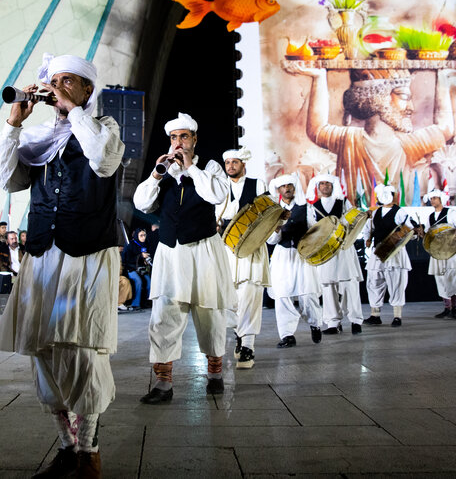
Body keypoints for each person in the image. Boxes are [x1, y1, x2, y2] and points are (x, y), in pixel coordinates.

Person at [0, 53, 124, 478]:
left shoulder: (104, 129)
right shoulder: (40, 140)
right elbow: (3, 177)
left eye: (69, 80)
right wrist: (15, 122)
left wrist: (73, 111)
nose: (58, 85)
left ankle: (89, 451)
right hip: (44, 257)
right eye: (53, 80)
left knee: (84, 352)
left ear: (87, 89)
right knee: (43, 352)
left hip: (88, 258)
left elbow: (102, 159)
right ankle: (67, 448)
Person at [134, 113, 233, 402]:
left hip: (203, 250)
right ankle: (163, 384)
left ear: (194, 139)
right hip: (170, 252)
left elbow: (215, 195)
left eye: (184, 137)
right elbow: (142, 202)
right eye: (174, 138)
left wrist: (190, 167)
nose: (178, 142)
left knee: (210, 312)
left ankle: (215, 374)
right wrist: (157, 173)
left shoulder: (211, 167)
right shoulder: (165, 172)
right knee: (165, 314)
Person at [284, 65, 456, 202]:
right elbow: (317, 129)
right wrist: (319, 77)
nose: (410, 107)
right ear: (379, 98)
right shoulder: (349, 139)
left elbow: (446, 129)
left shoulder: (407, 143)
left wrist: (442, 77)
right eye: (404, 97)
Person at [215, 147, 271, 368]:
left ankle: (248, 346)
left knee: (251, 294)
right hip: (227, 249)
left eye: (234, 162)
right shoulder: (220, 187)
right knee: (232, 298)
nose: (230, 166)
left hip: (253, 246)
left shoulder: (258, 185)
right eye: (227, 163)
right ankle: (240, 335)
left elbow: (268, 212)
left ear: (243, 164)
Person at [266, 173, 322, 348]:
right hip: (283, 255)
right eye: (283, 187)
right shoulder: (273, 210)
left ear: (294, 187)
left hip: (302, 255)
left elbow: (315, 230)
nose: (287, 189)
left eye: (289, 185)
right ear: (279, 190)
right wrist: (276, 229)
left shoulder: (305, 207)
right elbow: (270, 240)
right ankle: (287, 335)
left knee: (308, 294)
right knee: (282, 295)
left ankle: (315, 324)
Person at [304, 173, 364, 336]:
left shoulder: (344, 202)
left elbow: (353, 221)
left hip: (344, 249)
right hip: (325, 252)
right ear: (318, 187)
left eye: (327, 184)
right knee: (328, 286)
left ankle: (356, 321)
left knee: (350, 285)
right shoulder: (313, 206)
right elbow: (311, 227)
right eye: (321, 184)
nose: (325, 186)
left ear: (333, 186)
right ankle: (332, 322)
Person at [363, 184, 414, 327]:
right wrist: (367, 238)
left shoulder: (400, 212)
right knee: (374, 281)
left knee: (396, 282)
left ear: (393, 195)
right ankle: (375, 315)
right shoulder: (374, 213)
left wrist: (410, 232)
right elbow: (368, 228)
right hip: (378, 251)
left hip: (394, 252)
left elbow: (409, 228)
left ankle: (397, 316)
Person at [418, 189, 456, 320]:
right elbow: (429, 233)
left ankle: (455, 308)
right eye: (431, 198)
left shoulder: (451, 212)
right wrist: (423, 234)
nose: (432, 200)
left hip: (451, 250)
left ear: (440, 199)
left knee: (453, 277)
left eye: (434, 198)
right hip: (438, 252)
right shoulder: (430, 217)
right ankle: (447, 308)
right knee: (440, 279)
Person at [121, 229, 151, 309]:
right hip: (131, 268)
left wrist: (145, 260)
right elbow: (127, 259)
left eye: (144, 235)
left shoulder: (145, 244)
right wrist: (140, 256)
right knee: (138, 281)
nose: (143, 237)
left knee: (149, 282)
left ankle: (146, 302)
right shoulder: (130, 245)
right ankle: (135, 303)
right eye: (141, 235)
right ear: (137, 236)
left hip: (141, 268)